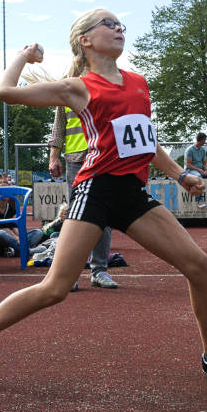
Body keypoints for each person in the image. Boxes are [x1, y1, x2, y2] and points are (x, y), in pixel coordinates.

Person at [0, 9, 207, 389]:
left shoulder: (139, 84)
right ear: (86, 40)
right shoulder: (78, 87)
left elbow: (147, 142)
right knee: (55, 288)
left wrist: (180, 175)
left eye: (120, 25)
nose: (118, 29)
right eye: (108, 24)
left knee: (198, 265)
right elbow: (4, 92)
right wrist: (24, 55)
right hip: (95, 190)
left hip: (131, 192)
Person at [48, 99, 118, 289]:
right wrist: (53, 156)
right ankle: (70, 274)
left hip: (103, 155)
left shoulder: (106, 84)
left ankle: (99, 270)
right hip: (75, 158)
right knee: (75, 215)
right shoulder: (67, 87)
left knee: (104, 212)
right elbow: (59, 126)